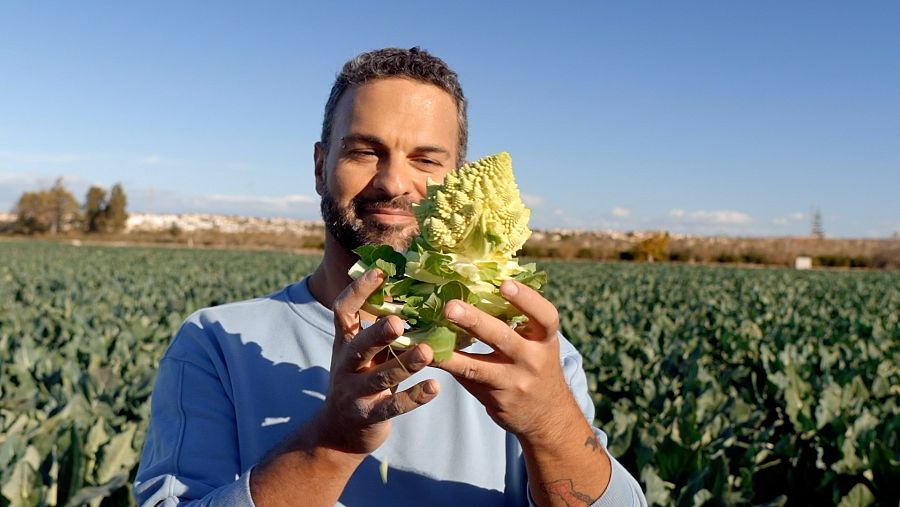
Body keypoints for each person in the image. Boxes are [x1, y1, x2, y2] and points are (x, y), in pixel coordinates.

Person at [134, 47, 647, 507]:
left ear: (459, 179)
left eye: (426, 159)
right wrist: (330, 444)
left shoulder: (531, 356)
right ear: (320, 166)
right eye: (363, 151)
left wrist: (551, 425)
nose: (393, 181)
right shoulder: (217, 343)